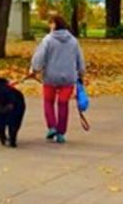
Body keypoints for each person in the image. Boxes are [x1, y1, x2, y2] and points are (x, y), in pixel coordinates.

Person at [27, 14, 86, 144]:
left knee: (48, 102)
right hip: (69, 77)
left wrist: (34, 70)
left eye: (50, 23)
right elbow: (79, 59)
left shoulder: (48, 40)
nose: (49, 26)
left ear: (54, 24)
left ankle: (52, 126)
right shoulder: (73, 41)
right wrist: (81, 73)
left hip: (50, 77)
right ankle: (61, 132)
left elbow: (39, 57)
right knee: (63, 104)